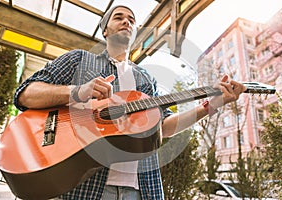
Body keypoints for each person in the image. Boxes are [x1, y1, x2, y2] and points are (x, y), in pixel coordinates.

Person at [13, 5, 246, 200]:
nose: (126, 22)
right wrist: (77, 92)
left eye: (131, 20)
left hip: (140, 188)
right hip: (85, 187)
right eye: (119, 17)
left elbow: (163, 128)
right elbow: (25, 93)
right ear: (105, 30)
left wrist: (211, 105)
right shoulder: (79, 60)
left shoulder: (146, 80)